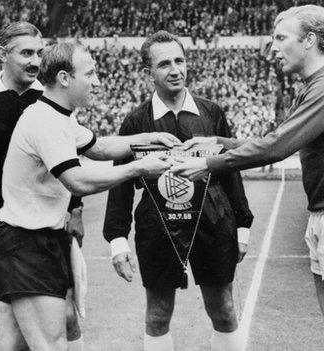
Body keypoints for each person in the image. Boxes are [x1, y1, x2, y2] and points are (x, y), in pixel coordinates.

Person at [172, 5, 324, 350]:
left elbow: (277, 146)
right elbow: (280, 137)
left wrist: (211, 162)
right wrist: (222, 142)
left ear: (310, 41)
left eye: (280, 38)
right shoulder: (313, 86)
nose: (272, 47)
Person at [0, 41, 179, 351]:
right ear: (64, 78)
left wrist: (148, 138)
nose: (97, 82)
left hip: (32, 239)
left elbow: (99, 148)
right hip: (24, 243)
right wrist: (139, 168)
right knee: (52, 345)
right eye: (90, 74)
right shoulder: (44, 121)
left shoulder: (59, 116)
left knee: (14, 346)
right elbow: (77, 181)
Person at [103, 30, 254, 351]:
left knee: (224, 310)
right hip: (157, 229)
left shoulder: (211, 113)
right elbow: (120, 184)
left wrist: (243, 225)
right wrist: (116, 239)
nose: (175, 69)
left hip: (213, 224)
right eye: (164, 64)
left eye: (180, 60)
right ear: (148, 74)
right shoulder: (135, 122)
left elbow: (231, 171)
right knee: (158, 314)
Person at [0, 21, 87, 351]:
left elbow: (73, 154)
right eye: (26, 53)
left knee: (66, 313)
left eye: (39, 53)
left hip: (49, 211)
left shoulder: (52, 98)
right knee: (8, 316)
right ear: (2, 54)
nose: (35, 61)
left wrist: (76, 209)